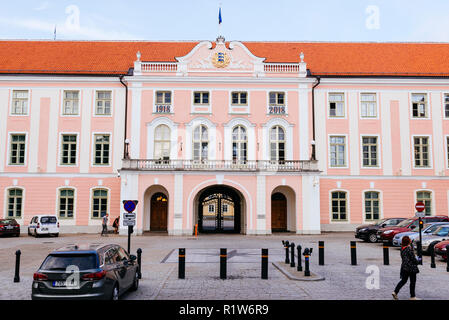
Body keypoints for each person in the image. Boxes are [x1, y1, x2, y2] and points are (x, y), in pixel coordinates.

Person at [392, 236, 421, 300]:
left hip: (404, 267)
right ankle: (412, 296)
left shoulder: (402, 248)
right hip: (411, 268)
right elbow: (413, 259)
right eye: (409, 240)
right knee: (412, 282)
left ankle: (395, 292)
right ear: (408, 241)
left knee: (403, 281)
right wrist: (418, 261)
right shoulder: (409, 249)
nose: (410, 240)